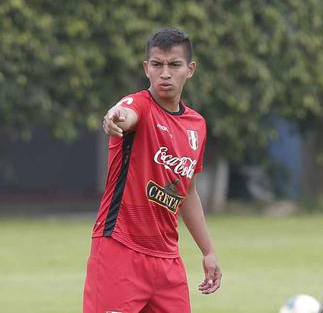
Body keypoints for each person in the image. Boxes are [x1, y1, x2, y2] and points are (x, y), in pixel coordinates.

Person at [83, 27, 221, 313]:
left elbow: (187, 191)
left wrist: (208, 251)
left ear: (190, 69)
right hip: (120, 250)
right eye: (157, 65)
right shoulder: (139, 106)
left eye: (174, 65)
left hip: (167, 263)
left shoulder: (196, 125)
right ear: (146, 68)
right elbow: (124, 114)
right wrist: (114, 118)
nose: (165, 73)